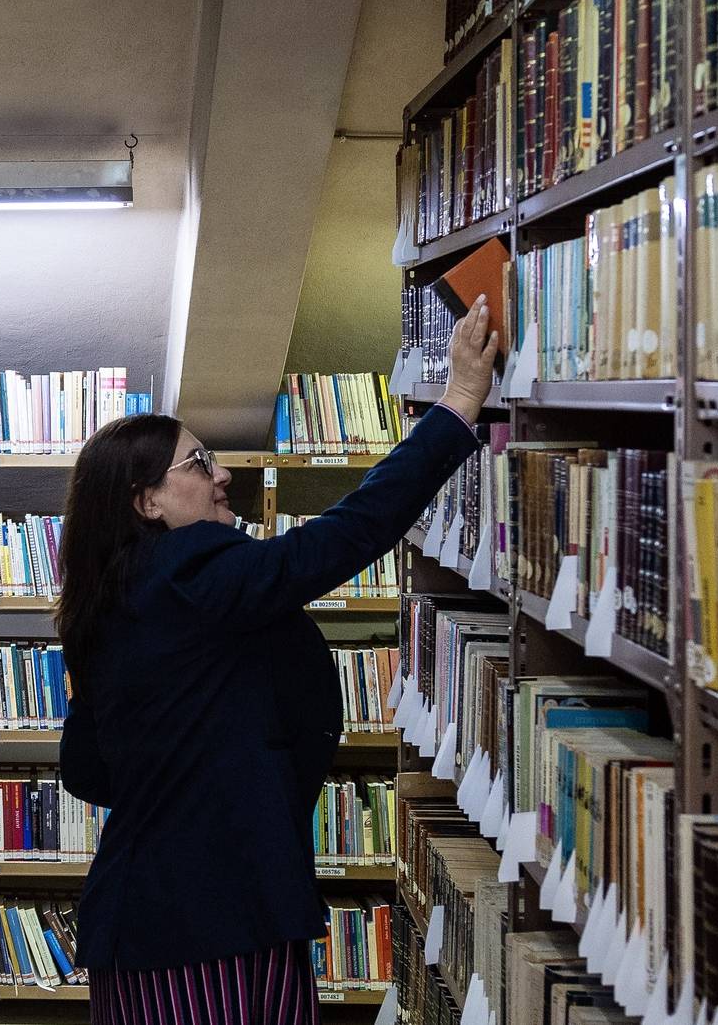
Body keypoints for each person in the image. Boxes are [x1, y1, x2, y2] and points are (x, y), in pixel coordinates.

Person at [56, 298, 498, 1025]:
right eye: (198, 463)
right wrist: (456, 404)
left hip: (142, 919)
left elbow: (87, 769)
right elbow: (343, 538)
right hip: (216, 916)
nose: (221, 473)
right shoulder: (192, 570)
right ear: (148, 502)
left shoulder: (105, 600)